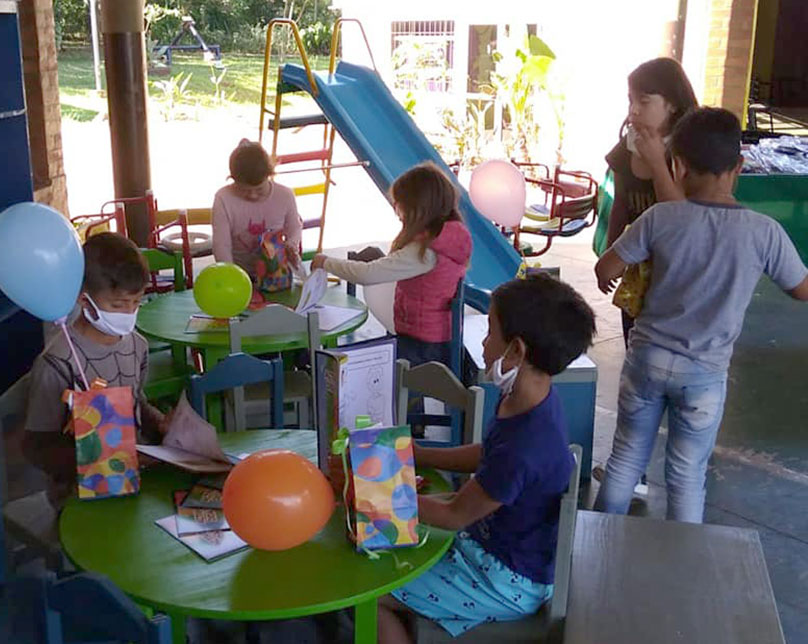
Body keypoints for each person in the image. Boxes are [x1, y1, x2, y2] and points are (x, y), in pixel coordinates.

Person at [594, 108, 808, 524]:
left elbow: (606, 268)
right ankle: (683, 562)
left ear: (678, 166)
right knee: (687, 475)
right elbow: (801, 290)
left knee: (624, 456)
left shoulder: (661, 217)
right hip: (704, 376)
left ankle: (597, 545)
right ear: (739, 167)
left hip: (647, 361)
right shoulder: (764, 233)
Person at [377, 275, 596, 642]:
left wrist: (379, 499)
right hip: (493, 547)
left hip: (507, 580)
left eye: (490, 330)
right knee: (388, 545)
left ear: (517, 351)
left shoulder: (526, 445)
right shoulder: (530, 400)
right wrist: (420, 453)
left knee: (375, 592)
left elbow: (453, 514)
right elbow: (488, 454)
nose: (482, 340)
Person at [23, 232, 168, 507]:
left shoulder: (137, 346)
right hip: (77, 493)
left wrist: (161, 424)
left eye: (136, 302)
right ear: (83, 298)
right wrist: (99, 460)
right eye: (117, 305)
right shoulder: (57, 362)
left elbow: (136, 404)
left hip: (138, 477)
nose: (128, 313)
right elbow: (35, 447)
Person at [311, 162, 472, 370]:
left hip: (423, 347)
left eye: (399, 204)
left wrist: (326, 262)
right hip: (437, 340)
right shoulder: (445, 238)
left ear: (417, 208)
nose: (396, 210)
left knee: (360, 367)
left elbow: (367, 275)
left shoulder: (425, 251)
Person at [605, 57, 697, 346]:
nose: (633, 110)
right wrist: (611, 254)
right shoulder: (627, 147)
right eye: (630, 100)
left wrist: (657, 163)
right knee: (635, 341)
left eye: (644, 101)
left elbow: (679, 217)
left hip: (678, 268)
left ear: (672, 103)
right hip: (640, 269)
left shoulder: (689, 152)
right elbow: (620, 204)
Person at [211, 139, 302, 279]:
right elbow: (221, 246)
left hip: (275, 273)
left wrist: (292, 244)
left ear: (269, 175)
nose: (253, 195)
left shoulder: (285, 195)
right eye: (244, 190)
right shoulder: (223, 198)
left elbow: (295, 227)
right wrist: (232, 276)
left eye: (259, 190)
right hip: (240, 273)